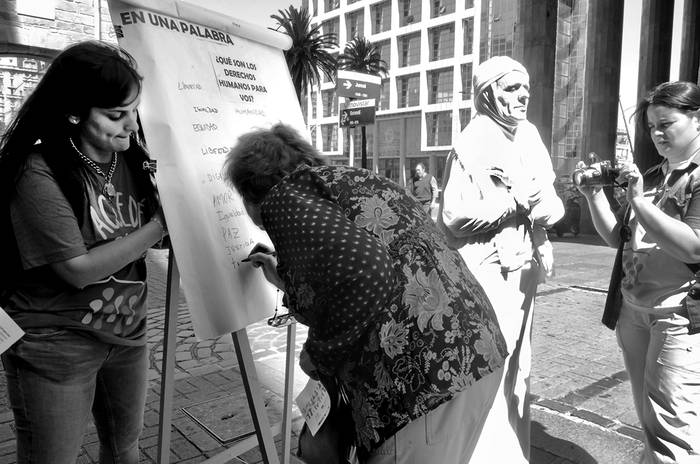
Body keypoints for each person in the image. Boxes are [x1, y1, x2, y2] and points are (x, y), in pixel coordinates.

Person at [224, 123, 508, 463]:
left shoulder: (285, 198)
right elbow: (367, 270)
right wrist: (285, 280)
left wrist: (320, 353)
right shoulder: (347, 182)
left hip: (423, 382)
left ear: (253, 188)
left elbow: (366, 274)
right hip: (474, 351)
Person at [0, 41, 167, 464]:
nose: (131, 125)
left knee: (125, 449)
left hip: (127, 335)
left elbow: (154, 240)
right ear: (75, 112)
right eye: (115, 115)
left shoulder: (134, 159)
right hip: (56, 343)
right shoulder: (37, 171)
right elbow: (77, 269)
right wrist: (161, 225)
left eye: (134, 111)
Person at [438, 56, 564, 463]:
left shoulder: (528, 137)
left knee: (518, 370)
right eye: (511, 88)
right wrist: (513, 203)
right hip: (487, 272)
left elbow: (549, 200)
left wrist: (546, 207)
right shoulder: (471, 143)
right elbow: (454, 217)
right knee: (489, 366)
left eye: (525, 87)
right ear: (488, 93)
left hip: (524, 269)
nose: (523, 95)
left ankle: (513, 451)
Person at [577, 81, 700, 463]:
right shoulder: (655, 174)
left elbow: (694, 245)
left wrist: (639, 202)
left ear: (697, 119)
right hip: (634, 311)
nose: (657, 133)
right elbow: (620, 238)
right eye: (651, 126)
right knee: (649, 418)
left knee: (673, 426)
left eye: (666, 123)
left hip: (678, 314)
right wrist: (593, 194)